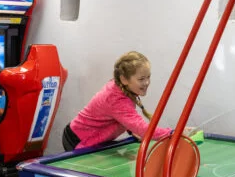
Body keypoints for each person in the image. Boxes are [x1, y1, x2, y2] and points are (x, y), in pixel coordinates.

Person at [63, 51, 193, 151]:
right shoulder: (115, 99)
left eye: (148, 77)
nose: (147, 82)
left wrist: (131, 130)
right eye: (141, 79)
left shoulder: (121, 88)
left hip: (87, 136)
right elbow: (142, 128)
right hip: (79, 139)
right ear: (124, 79)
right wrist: (173, 133)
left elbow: (122, 118)